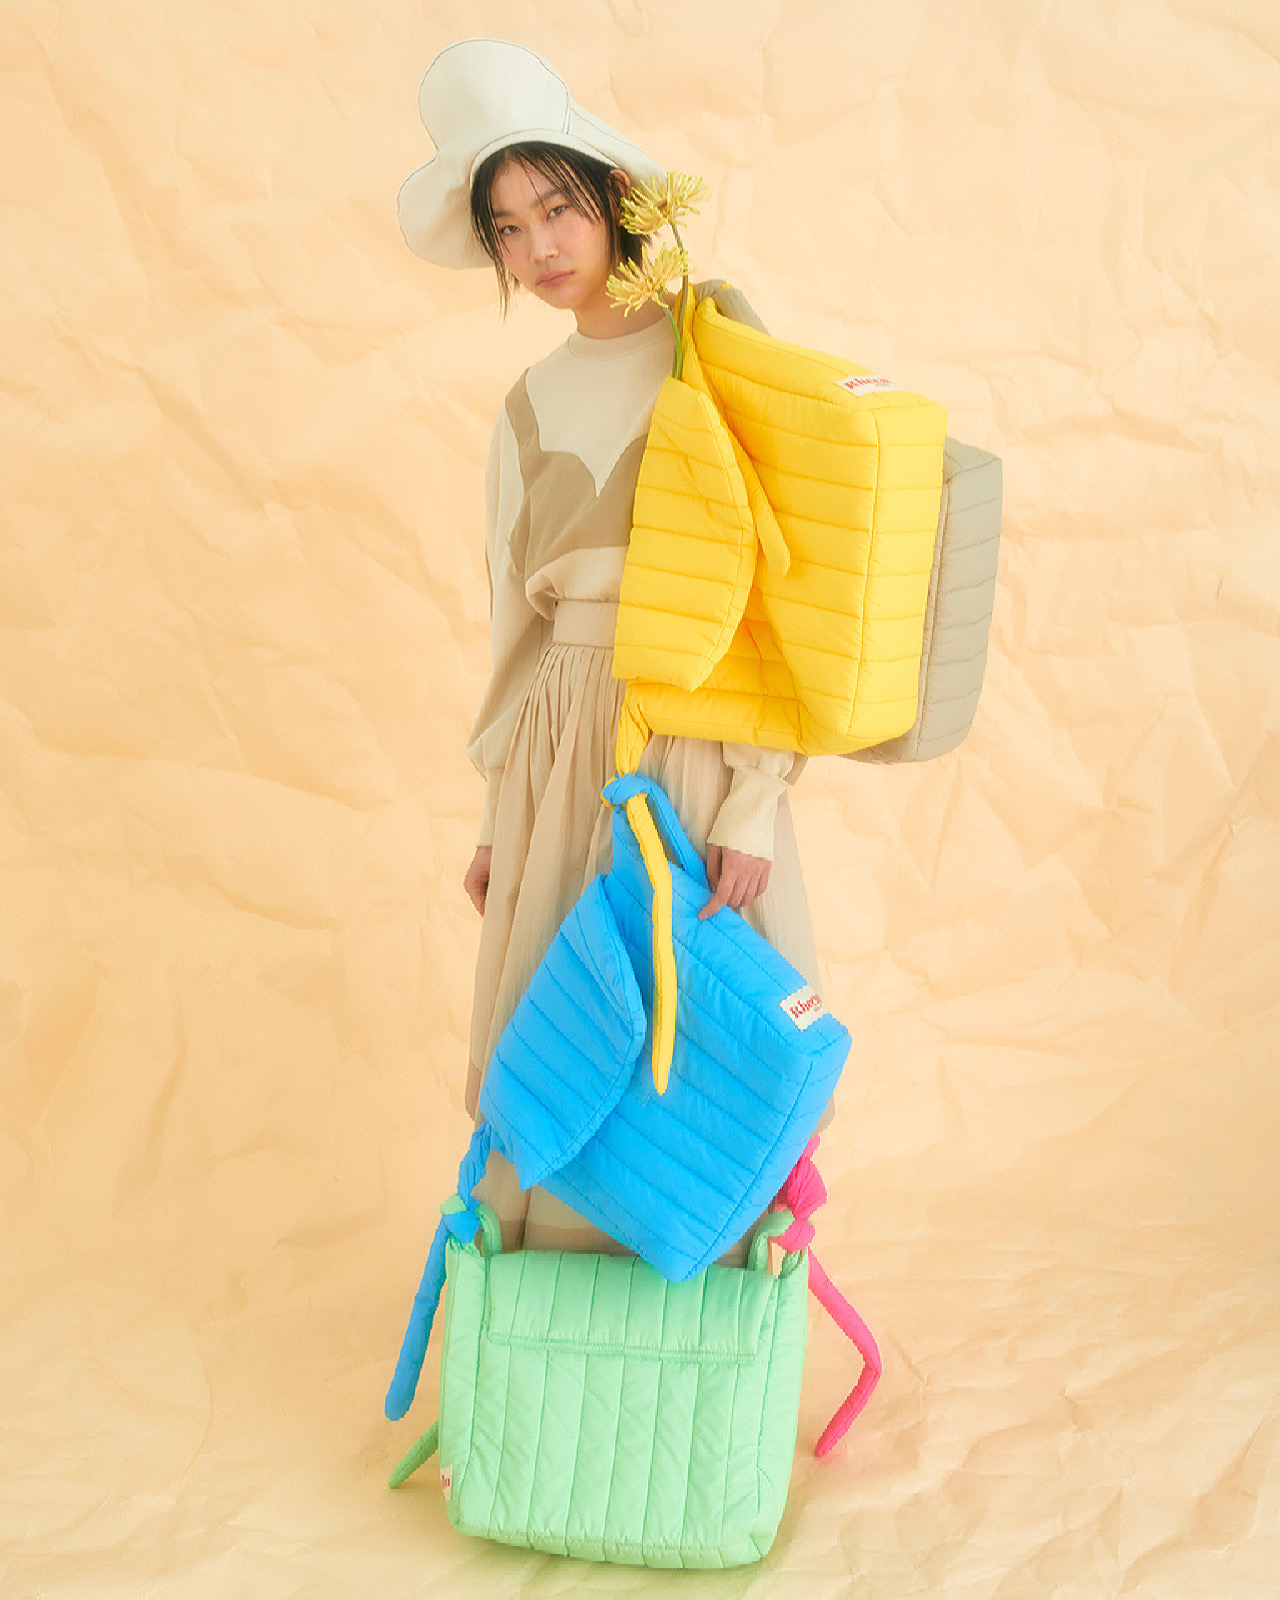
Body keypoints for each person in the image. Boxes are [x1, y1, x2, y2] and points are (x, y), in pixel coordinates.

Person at [398, 39, 826, 1255]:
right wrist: (499, 812)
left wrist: (754, 798)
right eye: (507, 228)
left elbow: (781, 585)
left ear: (614, 199)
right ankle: (549, 1303)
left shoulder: (715, 349)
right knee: (564, 1022)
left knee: (698, 1026)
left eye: (557, 208)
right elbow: (514, 627)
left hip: (695, 724)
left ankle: (699, 1296)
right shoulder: (525, 407)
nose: (537, 246)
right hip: (558, 748)